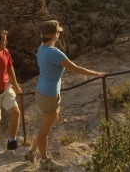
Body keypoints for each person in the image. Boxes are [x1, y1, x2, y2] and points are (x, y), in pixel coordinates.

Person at [24, 20, 107, 171]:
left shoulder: (41, 49)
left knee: (50, 122)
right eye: (58, 32)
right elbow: (76, 69)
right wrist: (98, 74)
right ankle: (44, 161)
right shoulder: (54, 53)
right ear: (55, 34)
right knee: (44, 131)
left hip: (43, 91)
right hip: (49, 95)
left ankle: (32, 152)